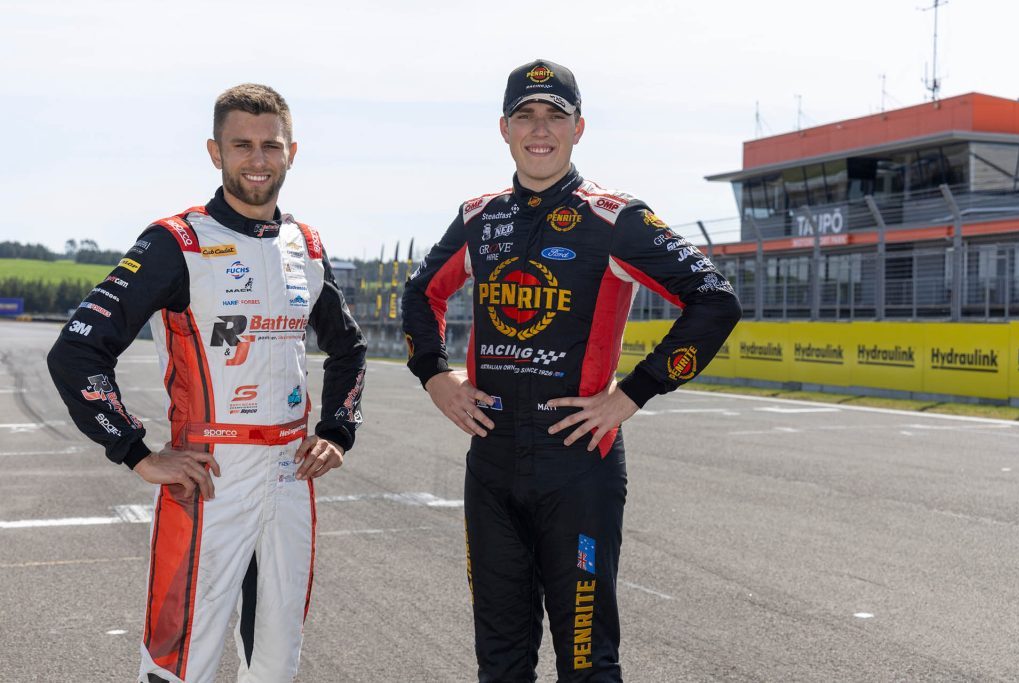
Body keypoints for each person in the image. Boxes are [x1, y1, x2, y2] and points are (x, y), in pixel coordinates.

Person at [401, 59, 742, 681]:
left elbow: (716, 300)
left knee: (586, 662)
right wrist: (436, 375)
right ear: (503, 128)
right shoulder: (480, 218)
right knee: (500, 662)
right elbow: (418, 293)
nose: (540, 130)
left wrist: (633, 393)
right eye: (525, 116)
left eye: (554, 116)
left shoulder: (614, 217)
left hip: (578, 468)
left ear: (578, 128)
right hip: (493, 463)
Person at [47, 84, 366, 683]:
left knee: (276, 660)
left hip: (291, 476)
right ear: (214, 151)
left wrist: (337, 432)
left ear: (292, 152)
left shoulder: (307, 246)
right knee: (179, 656)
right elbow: (76, 351)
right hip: (210, 475)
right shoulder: (176, 242)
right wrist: (136, 451)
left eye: (270, 145)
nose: (257, 160)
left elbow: (348, 347)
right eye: (241, 144)